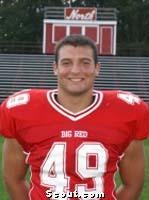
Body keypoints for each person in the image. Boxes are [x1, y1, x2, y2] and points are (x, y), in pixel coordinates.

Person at [0, 34, 149, 200]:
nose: (76, 70)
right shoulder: (22, 110)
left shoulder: (126, 112)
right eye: (66, 63)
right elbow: (14, 179)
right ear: (55, 67)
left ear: (97, 68)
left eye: (85, 63)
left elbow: (133, 184)